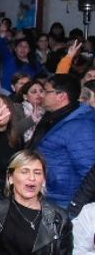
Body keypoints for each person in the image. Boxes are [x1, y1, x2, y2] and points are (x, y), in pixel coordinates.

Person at [26, 74, 95, 209]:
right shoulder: (53, 117)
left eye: (46, 91)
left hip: (64, 201)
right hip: (48, 195)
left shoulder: (81, 125)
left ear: (61, 96)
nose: (41, 95)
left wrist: (76, 207)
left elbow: (89, 171)